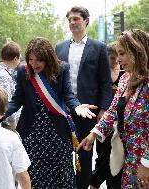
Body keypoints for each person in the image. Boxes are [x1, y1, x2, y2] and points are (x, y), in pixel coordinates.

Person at [4, 37, 97, 188]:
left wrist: (77, 107)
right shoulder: (23, 70)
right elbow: (17, 99)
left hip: (57, 133)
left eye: (38, 60)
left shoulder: (62, 69)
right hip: (32, 135)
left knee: (61, 174)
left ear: (48, 58)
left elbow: (68, 95)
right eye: (31, 60)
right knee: (35, 175)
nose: (34, 64)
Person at [77, 29, 149, 189]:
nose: (119, 60)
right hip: (126, 158)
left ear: (137, 51)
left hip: (144, 162)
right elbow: (112, 111)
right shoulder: (125, 78)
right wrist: (93, 134)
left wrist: (146, 163)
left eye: (122, 54)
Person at [56, 6, 112, 188]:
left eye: (76, 19)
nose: (72, 22)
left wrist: (103, 109)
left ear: (86, 20)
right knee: (63, 154)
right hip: (64, 110)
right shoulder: (60, 47)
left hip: (89, 111)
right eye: (70, 19)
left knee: (85, 156)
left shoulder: (99, 47)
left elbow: (105, 82)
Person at [90, 42, 124, 189]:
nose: (116, 61)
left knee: (118, 158)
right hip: (105, 121)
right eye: (112, 57)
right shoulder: (100, 74)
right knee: (103, 156)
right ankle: (94, 183)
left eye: (119, 56)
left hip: (121, 122)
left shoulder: (125, 74)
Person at [0, 41, 21, 131]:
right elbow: (8, 102)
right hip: (8, 125)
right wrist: (14, 126)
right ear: (15, 58)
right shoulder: (4, 77)